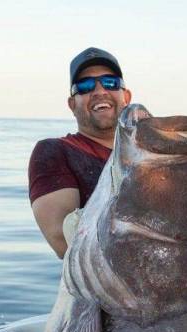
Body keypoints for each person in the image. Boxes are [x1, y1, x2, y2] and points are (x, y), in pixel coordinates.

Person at [29, 47, 132, 258]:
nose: (99, 91)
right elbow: (62, 241)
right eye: (85, 86)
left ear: (126, 96)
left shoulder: (150, 154)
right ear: (71, 103)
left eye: (110, 82)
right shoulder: (54, 152)